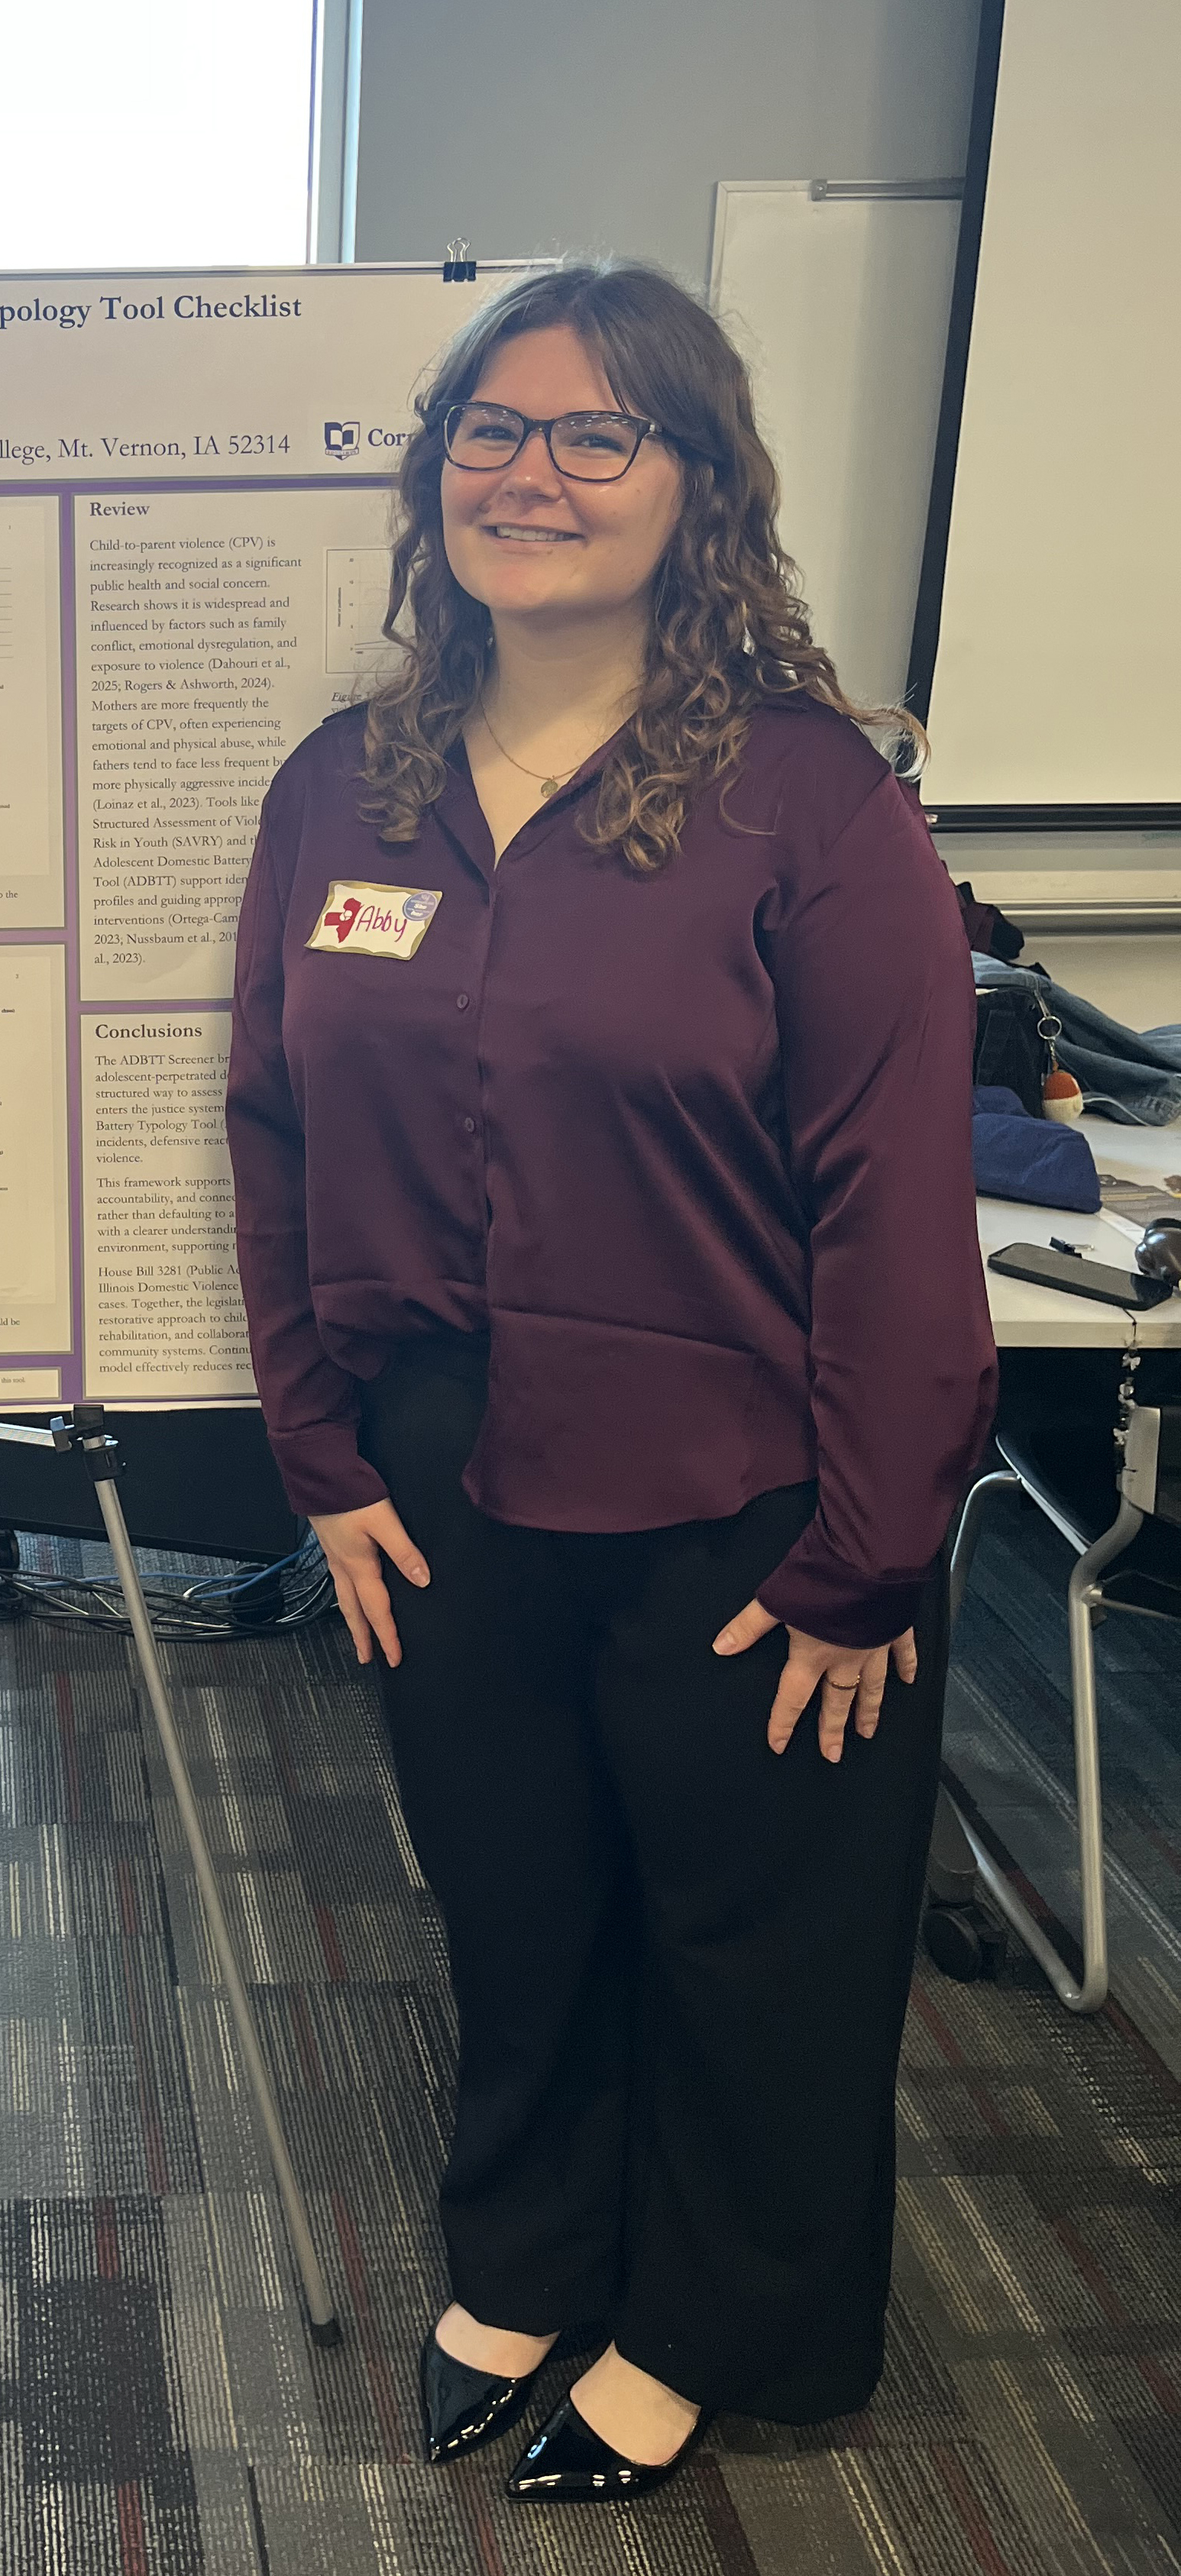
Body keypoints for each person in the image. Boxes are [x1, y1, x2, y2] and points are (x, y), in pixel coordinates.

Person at [225, 260, 996, 2503]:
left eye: (596, 434)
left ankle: (710, 2313)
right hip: (439, 1467)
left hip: (749, 1476)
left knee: (752, 1931)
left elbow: (896, 1196)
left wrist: (872, 1548)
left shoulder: (807, 801)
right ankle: (537, 2245)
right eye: (492, 427)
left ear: (695, 486)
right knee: (516, 1888)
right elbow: (272, 1127)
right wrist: (317, 1449)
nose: (531, 472)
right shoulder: (343, 789)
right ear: (435, 471)